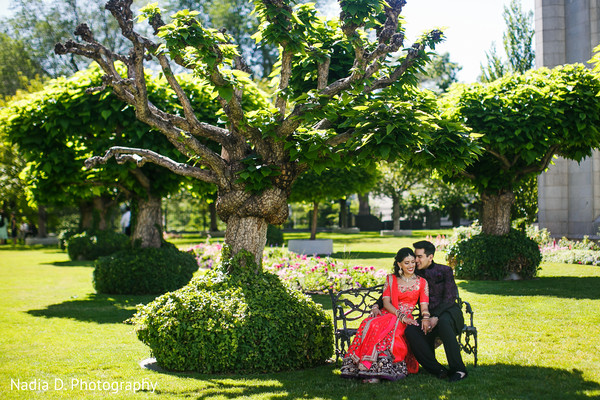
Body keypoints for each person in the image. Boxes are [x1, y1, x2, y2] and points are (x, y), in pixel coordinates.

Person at [372, 240, 468, 382]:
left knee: (443, 323)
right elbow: (394, 289)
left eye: (419, 257)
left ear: (430, 257)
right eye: (414, 257)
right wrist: (376, 304)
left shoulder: (445, 271)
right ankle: (437, 369)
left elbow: (449, 298)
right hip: (426, 316)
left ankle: (459, 370)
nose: (415, 260)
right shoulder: (415, 273)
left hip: (449, 313)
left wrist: (434, 316)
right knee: (410, 330)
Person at [340, 247, 430, 383]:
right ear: (399, 264)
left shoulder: (422, 282)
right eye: (406, 263)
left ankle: (379, 370)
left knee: (391, 329)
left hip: (406, 319)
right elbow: (386, 303)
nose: (411, 265)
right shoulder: (391, 279)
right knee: (371, 323)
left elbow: (424, 305)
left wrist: (426, 317)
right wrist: (399, 315)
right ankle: (368, 369)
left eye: (412, 262)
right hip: (391, 313)